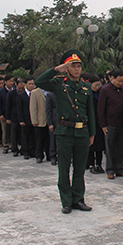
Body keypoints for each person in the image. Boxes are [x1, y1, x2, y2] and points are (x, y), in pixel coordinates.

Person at [35, 49, 95, 214]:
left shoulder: (86, 87)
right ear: (67, 68)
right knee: (64, 169)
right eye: (73, 66)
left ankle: (78, 199)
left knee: (80, 168)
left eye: (78, 66)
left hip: (82, 133)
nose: (77, 69)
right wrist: (56, 69)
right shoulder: (58, 83)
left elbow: (90, 111)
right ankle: (66, 201)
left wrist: (92, 133)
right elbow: (39, 82)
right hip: (64, 132)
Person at [98, 70, 123, 179]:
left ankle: (120, 168)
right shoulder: (105, 90)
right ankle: (110, 170)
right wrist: (103, 125)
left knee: (122, 147)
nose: (121, 83)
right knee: (110, 148)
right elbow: (101, 108)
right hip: (110, 124)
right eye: (119, 81)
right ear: (112, 79)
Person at [86, 75, 106, 174]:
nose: (97, 87)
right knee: (91, 145)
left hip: (99, 122)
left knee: (100, 145)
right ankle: (91, 164)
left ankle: (99, 164)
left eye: (99, 85)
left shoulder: (101, 93)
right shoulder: (86, 94)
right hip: (90, 122)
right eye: (95, 85)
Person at [29, 80, 49, 163]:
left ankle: (49, 155)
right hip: (40, 120)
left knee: (49, 140)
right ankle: (39, 155)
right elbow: (33, 108)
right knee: (40, 139)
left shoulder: (50, 91)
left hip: (50, 120)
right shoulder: (35, 92)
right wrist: (34, 120)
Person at [18, 76, 36, 159]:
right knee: (25, 136)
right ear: (25, 85)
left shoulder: (35, 94)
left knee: (33, 136)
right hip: (25, 118)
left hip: (34, 119)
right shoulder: (21, 95)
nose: (31, 86)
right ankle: (25, 151)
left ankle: (32, 151)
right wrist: (21, 120)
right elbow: (19, 108)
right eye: (30, 84)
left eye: (33, 84)